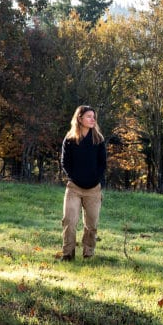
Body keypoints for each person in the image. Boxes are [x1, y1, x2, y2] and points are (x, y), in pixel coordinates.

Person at [59, 105, 107, 260]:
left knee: (91, 225)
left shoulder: (98, 140)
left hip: (93, 189)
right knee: (69, 221)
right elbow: (65, 162)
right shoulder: (70, 139)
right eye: (89, 116)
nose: (92, 119)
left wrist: (95, 179)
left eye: (94, 116)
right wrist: (75, 177)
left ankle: (88, 253)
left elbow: (102, 164)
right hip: (74, 188)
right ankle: (68, 254)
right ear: (79, 118)